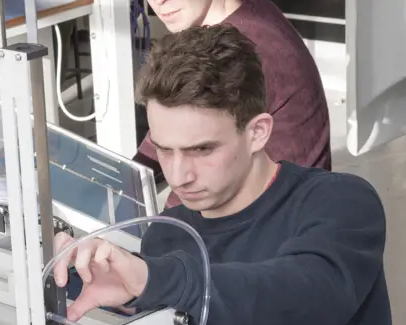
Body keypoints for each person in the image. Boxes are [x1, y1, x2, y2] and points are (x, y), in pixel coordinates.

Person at [53, 25, 392, 325]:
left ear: (257, 133)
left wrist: (161, 279)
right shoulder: (169, 236)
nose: (179, 176)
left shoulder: (338, 203)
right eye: (165, 150)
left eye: (202, 150)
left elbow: (297, 302)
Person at [137, 0, 331, 209]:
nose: (158, 1)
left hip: (274, 220)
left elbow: (190, 200)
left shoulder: (247, 53)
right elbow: (175, 131)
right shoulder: (243, 15)